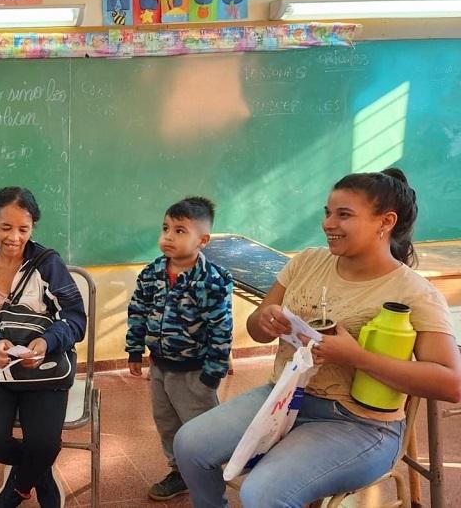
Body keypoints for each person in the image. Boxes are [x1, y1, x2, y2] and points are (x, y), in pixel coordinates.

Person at [173, 168, 461, 507]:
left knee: (264, 493)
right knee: (189, 445)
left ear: (385, 222)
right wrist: (263, 321)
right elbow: (255, 328)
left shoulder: (414, 292)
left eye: (344, 215)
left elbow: (451, 384)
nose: (328, 223)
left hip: (360, 424)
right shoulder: (307, 262)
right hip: (283, 398)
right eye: (327, 212)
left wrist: (356, 356)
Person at [0, 187, 87, 508]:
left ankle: (16, 489)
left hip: (43, 369)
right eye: (5, 228)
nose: (14, 237)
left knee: (44, 442)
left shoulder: (47, 264)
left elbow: (74, 318)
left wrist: (46, 342)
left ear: (32, 229)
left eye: (23, 229)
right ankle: (38, 475)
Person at [126, 197, 233, 501]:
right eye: (165, 228)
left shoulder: (212, 281)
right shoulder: (152, 273)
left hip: (195, 372)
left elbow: (221, 330)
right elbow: (138, 311)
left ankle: (208, 479)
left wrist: (213, 373)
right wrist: (135, 349)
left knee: (200, 430)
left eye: (180, 230)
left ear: (203, 240)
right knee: (167, 422)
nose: (168, 236)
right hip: (160, 366)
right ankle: (180, 473)